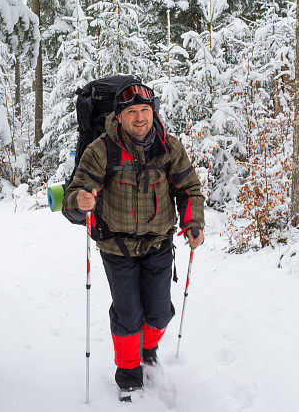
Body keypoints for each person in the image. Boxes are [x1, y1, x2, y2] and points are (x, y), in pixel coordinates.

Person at [63, 77, 205, 396]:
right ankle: (128, 373)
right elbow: (74, 195)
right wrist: (80, 200)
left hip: (158, 243)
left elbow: (188, 189)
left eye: (145, 110)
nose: (140, 117)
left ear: (153, 112)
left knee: (158, 312)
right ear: (119, 116)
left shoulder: (168, 147)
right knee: (128, 314)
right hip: (116, 246)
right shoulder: (102, 150)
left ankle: (147, 348)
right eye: (132, 112)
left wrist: (193, 223)